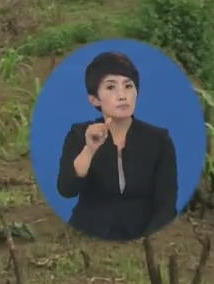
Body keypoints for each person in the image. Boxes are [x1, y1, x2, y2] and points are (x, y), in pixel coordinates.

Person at [56, 52, 178, 241]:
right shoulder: (80, 135)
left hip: (141, 236)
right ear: (94, 99)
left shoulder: (159, 140)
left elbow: (166, 205)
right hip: (88, 233)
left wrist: (144, 243)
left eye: (128, 86)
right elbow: (66, 189)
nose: (122, 95)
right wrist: (90, 149)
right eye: (111, 87)